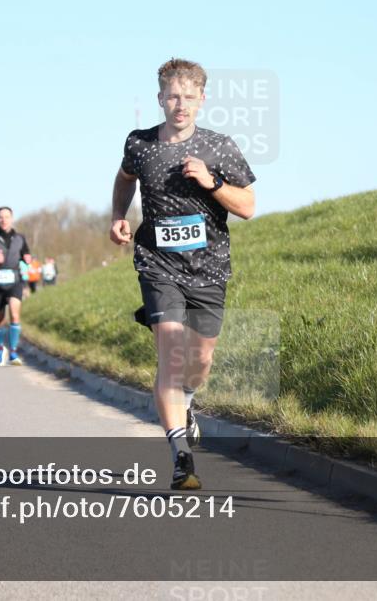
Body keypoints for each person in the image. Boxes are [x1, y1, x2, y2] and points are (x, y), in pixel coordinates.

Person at [109, 58, 256, 490]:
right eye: (173, 96)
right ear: (160, 98)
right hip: (158, 264)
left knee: (200, 361)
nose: (181, 104)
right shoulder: (140, 143)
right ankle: (181, 457)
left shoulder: (219, 147)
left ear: (202, 100)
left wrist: (212, 183)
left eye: (189, 97)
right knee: (171, 353)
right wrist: (119, 215)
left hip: (209, 266)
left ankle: (186, 404)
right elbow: (125, 177)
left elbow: (248, 207)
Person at [0, 206, 31, 366]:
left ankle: (13, 352)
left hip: (15, 281)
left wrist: (27, 259)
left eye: (7, 217)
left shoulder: (20, 238)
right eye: (1, 217)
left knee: (15, 315)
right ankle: (0, 348)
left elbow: (26, 254)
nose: (4, 220)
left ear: (12, 219)